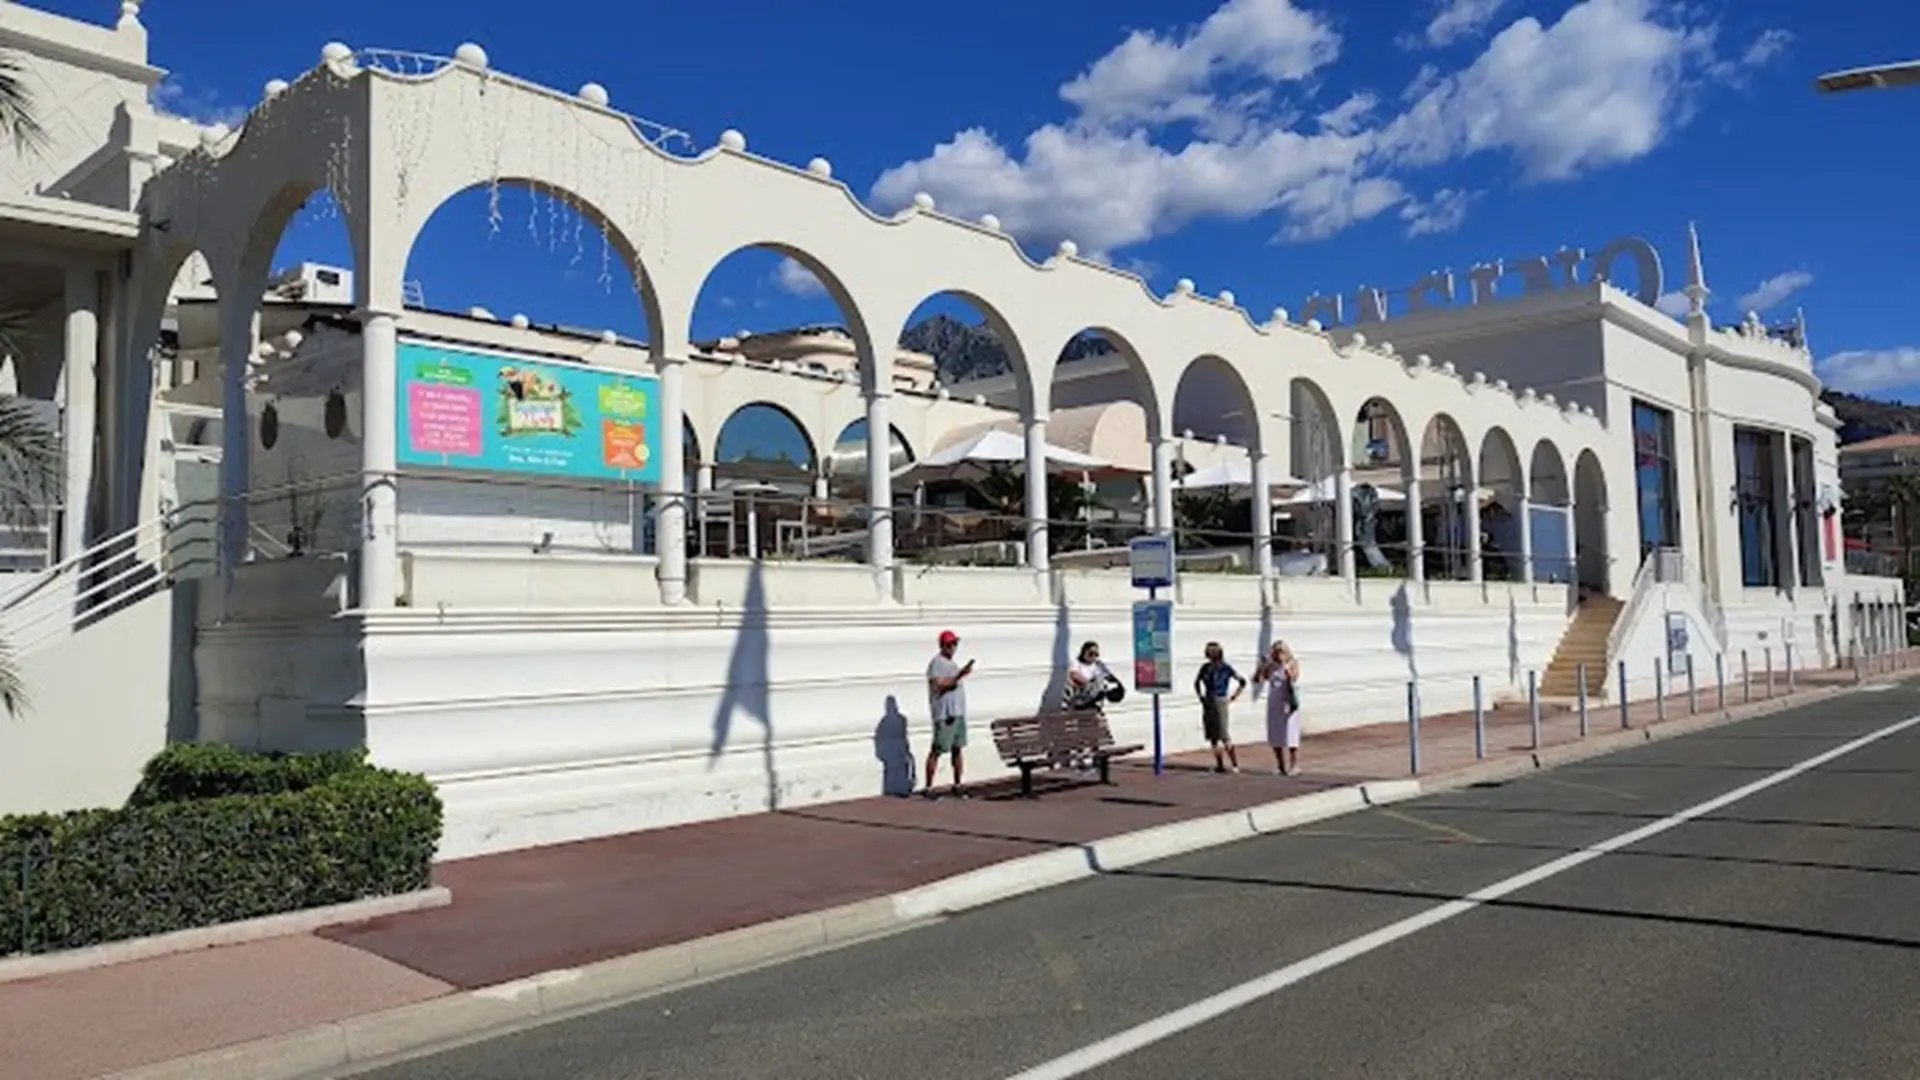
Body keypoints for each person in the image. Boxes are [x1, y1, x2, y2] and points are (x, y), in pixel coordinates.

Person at [923, 629, 973, 799]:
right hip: (945, 715)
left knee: (957, 749)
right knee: (937, 749)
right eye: (950, 644)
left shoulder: (952, 664)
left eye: (954, 644)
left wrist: (960, 674)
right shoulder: (936, 663)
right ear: (942, 646)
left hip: (957, 712)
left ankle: (958, 784)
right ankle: (929, 787)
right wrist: (958, 676)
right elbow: (938, 685)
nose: (953, 647)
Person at [1193, 642, 1245, 773]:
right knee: (1213, 735)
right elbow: (1197, 682)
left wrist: (1233, 696)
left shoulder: (1225, 668)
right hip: (1209, 700)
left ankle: (1234, 764)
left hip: (1219, 699)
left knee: (1223, 734)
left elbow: (1242, 681)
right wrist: (1201, 696)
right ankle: (1220, 764)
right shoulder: (1206, 668)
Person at [1254, 640, 1303, 776]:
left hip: (1288, 701)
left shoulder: (1292, 663)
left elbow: (1294, 678)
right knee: (1276, 733)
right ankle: (1280, 765)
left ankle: (1294, 764)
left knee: (1291, 733)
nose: (1278, 655)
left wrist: (1287, 670)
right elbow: (1258, 679)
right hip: (1274, 702)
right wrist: (1262, 666)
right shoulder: (1271, 666)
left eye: (1281, 652)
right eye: (1276, 652)